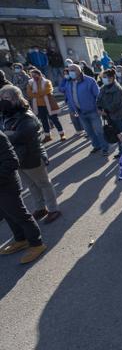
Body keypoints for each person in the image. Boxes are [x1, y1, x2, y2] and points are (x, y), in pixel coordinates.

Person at [0, 84, 62, 224]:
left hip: (31, 156)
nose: (3, 100)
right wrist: (8, 135)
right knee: (31, 185)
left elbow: (23, 134)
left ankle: (53, 209)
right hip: (18, 157)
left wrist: (5, 136)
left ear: (16, 98)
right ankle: (40, 208)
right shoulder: (6, 113)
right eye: (1, 98)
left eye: (6, 97)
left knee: (43, 184)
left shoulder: (25, 114)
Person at [0, 130, 47, 264]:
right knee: (8, 215)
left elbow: (11, 161)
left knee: (20, 215)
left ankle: (37, 244)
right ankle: (21, 239)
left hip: (6, 184)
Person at [65, 64, 109, 155]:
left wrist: (100, 108)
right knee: (89, 131)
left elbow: (98, 95)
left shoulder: (89, 81)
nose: (70, 73)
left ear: (79, 71)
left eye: (72, 70)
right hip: (80, 112)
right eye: (69, 71)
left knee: (99, 130)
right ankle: (96, 146)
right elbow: (69, 97)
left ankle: (105, 148)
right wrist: (72, 110)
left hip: (93, 111)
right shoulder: (69, 82)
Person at [26, 69, 65, 143]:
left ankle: (62, 134)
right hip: (39, 106)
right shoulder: (30, 83)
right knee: (44, 121)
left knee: (55, 120)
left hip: (49, 104)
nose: (33, 76)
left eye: (35, 75)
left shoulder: (47, 81)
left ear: (39, 74)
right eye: (32, 75)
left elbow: (47, 90)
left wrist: (36, 94)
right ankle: (47, 136)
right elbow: (29, 93)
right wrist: (39, 94)